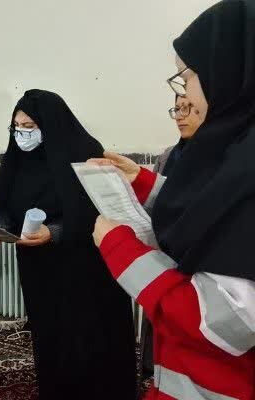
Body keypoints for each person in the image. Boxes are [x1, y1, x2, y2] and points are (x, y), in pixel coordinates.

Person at [91, 1, 255, 398]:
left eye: (187, 77)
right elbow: (216, 211)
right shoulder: (239, 151)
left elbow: (223, 323)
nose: (185, 96)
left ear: (227, 70)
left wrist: (120, 249)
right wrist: (144, 183)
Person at [0, 90, 136, 399]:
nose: (22, 135)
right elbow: (5, 205)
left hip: (83, 269)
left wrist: (54, 232)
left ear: (51, 125)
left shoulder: (85, 152)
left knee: (86, 341)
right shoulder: (16, 159)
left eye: (30, 126)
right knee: (50, 336)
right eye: (16, 127)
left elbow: (97, 211)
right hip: (39, 269)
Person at [141, 94, 206, 381]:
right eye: (176, 109)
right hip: (164, 255)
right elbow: (154, 204)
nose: (180, 115)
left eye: (188, 108)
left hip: (199, 261)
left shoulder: (223, 156)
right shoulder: (168, 156)